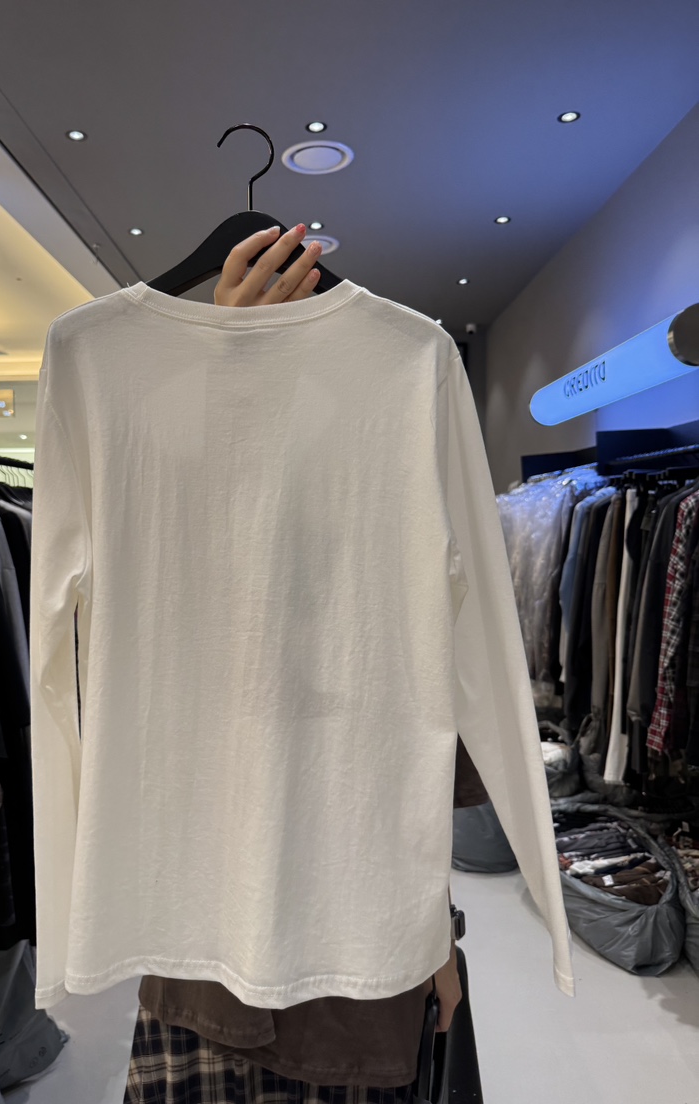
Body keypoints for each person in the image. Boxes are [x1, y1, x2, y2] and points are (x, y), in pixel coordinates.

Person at [214, 221, 465, 1031]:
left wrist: (432, 928)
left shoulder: (404, 383)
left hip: (363, 899)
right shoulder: (153, 404)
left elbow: (433, 676)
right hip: (210, 913)